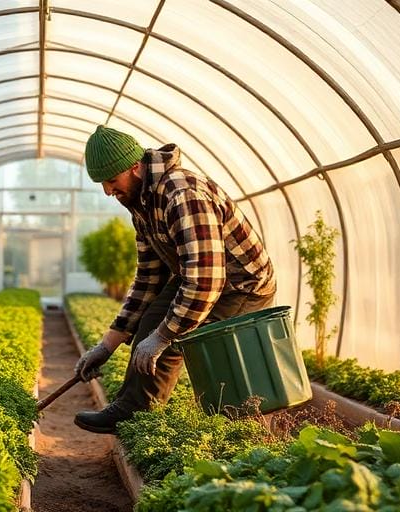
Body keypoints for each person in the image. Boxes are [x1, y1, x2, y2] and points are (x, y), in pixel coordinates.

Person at [73, 125, 277, 434]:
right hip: (196, 278)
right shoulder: (141, 202)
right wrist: (107, 345)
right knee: (151, 322)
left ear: (135, 166)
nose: (107, 191)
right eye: (102, 183)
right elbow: (148, 278)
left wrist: (164, 337)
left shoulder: (182, 194)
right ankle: (134, 412)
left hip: (241, 286)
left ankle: (238, 431)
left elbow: (206, 279)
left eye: (112, 181)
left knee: (201, 347)